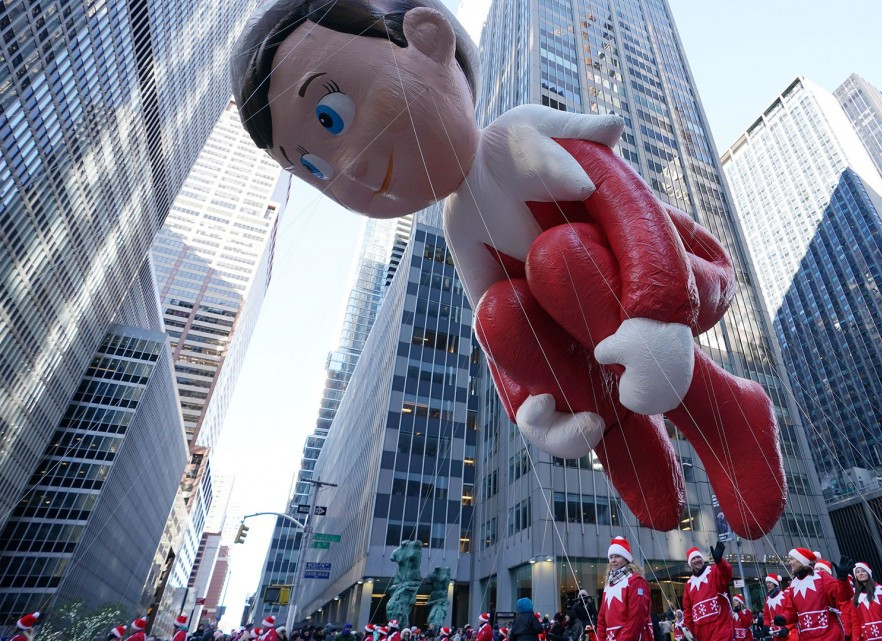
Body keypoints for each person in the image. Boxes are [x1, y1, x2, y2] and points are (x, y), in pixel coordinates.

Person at [229, 0, 788, 538]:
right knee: (497, 314)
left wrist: (656, 308)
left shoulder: (521, 138)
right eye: (311, 165)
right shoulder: (458, 224)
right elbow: (496, 331)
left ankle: (725, 407)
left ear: (427, 40)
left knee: (558, 258)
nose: (347, 167)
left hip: (681, 277)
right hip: (594, 333)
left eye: (333, 116)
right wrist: (527, 407)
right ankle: (625, 437)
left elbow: (628, 203)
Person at [771, 548, 852, 641]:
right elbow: (791, 611)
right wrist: (783, 618)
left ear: (801, 561)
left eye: (791, 559)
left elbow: (842, 596)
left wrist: (843, 580)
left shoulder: (821, 576)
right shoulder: (793, 584)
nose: (789, 562)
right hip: (807, 636)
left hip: (829, 635)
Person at [596, 537, 654, 641]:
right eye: (611, 557)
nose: (613, 560)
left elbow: (637, 618)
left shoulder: (636, 581)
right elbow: (601, 619)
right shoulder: (608, 586)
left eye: (617, 556)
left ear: (626, 558)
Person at [683, 543, 734, 641]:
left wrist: (720, 562)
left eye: (698, 557)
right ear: (690, 563)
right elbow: (688, 611)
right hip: (701, 631)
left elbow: (726, 574)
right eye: (693, 558)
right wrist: (688, 632)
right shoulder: (688, 584)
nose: (697, 560)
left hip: (720, 625)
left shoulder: (714, 571)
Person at [761, 574, 792, 641]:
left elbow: (791, 614)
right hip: (776, 635)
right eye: (767, 583)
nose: (768, 585)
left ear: (775, 583)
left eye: (770, 582)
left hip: (788, 633)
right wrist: (765, 626)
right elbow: (766, 616)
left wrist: (787, 627)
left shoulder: (785, 596)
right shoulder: (767, 599)